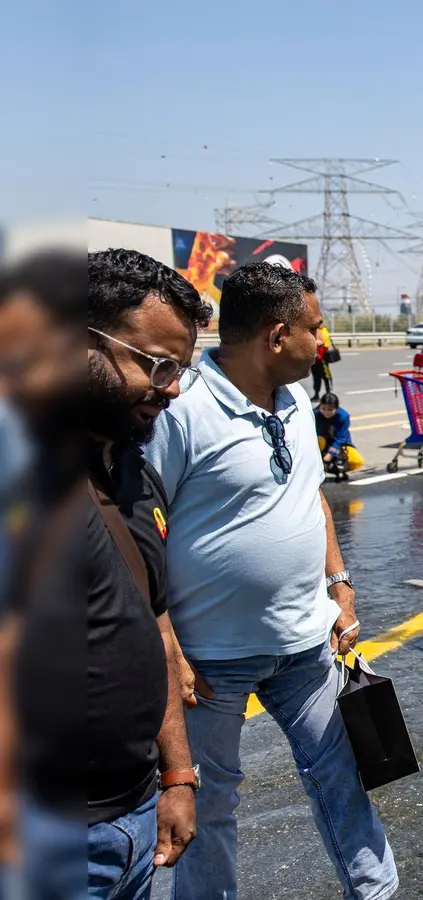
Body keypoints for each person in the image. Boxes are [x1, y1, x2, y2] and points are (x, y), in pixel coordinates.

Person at [144, 263, 397, 900]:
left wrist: (338, 582)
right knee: (211, 808)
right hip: (210, 664)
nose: (326, 343)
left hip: (307, 645)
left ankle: (377, 892)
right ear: (277, 335)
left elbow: (311, 496)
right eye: (317, 329)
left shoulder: (295, 402)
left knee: (345, 778)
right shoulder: (184, 412)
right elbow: (142, 532)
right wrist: (167, 648)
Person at [80, 249, 211, 899]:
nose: (173, 387)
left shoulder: (136, 476)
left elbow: (156, 630)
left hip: (133, 823)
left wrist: (178, 777)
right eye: (155, 364)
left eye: (180, 368)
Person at [316, 392, 363, 481]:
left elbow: (342, 438)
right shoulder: (314, 414)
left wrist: (329, 455)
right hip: (320, 441)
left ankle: (339, 469)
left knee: (356, 461)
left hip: (338, 442)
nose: (326, 412)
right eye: (323, 409)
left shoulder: (343, 416)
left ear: (336, 409)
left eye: (330, 409)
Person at [311, 321, 333, 396]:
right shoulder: (316, 331)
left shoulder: (323, 332)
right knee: (316, 377)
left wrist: (320, 356)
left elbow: (325, 346)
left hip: (322, 359)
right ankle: (316, 393)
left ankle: (328, 392)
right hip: (316, 359)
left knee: (325, 376)